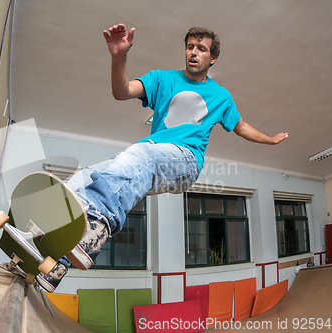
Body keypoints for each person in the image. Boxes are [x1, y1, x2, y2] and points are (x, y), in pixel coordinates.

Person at [35, 23, 289, 293]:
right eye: (190, 47)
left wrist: (270, 139)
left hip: (185, 161)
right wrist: (119, 57)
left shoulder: (221, 96)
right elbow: (122, 91)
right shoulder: (162, 79)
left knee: (143, 155)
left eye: (201, 49)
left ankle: (97, 228)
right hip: (150, 156)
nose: (193, 52)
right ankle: (51, 254)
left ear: (212, 58)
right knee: (85, 177)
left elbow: (241, 126)